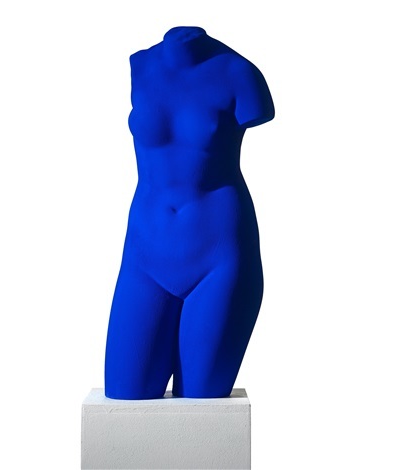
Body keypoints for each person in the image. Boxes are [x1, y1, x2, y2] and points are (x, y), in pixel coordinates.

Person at [104, 26, 275, 399]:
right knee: (124, 395)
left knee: (202, 407)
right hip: (145, 254)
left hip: (218, 257)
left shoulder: (239, 72)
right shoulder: (141, 64)